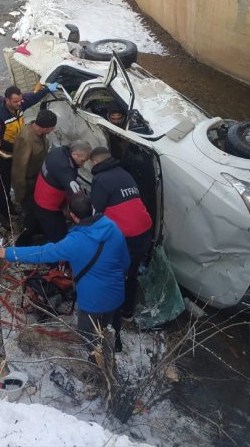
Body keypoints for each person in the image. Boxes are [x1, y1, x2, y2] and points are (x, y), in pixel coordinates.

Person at [0, 193, 129, 353]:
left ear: (72, 215)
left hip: (92, 302)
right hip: (116, 294)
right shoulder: (112, 227)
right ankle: (112, 352)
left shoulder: (74, 242)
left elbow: (41, 253)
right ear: (92, 209)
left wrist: (2, 252)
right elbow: (125, 260)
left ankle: (97, 369)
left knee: (90, 340)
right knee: (110, 330)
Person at [89, 147, 154, 350]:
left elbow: (95, 213)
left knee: (115, 279)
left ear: (95, 162)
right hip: (144, 232)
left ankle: (113, 332)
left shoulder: (100, 180)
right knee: (131, 274)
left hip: (125, 238)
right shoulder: (125, 175)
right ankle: (128, 311)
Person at [0, 83, 56, 229]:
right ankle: (4, 214)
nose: (19, 104)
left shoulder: (18, 107)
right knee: (4, 186)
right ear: (7, 100)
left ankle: (13, 206)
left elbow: (32, 99)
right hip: (5, 155)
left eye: (20, 101)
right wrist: (19, 145)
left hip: (18, 150)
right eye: (16, 101)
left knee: (20, 177)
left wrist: (46, 90)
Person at [11, 109, 57, 246]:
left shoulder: (39, 134)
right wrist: (20, 194)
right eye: (52, 127)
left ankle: (38, 230)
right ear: (46, 127)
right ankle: (22, 242)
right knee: (31, 215)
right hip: (28, 184)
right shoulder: (26, 139)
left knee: (38, 211)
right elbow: (19, 169)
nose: (53, 130)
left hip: (37, 180)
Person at [33, 141, 91, 242]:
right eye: (82, 160)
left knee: (44, 225)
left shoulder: (58, 151)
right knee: (59, 236)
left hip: (39, 196)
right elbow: (78, 196)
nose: (83, 164)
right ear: (74, 154)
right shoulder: (65, 169)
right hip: (48, 206)